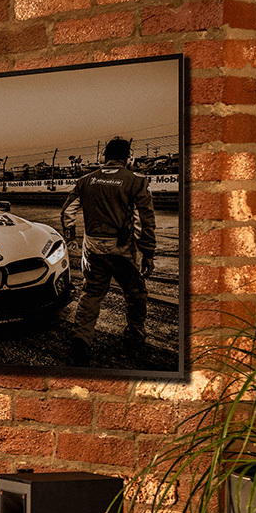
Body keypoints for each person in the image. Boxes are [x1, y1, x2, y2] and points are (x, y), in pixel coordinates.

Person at [61, 137, 157, 363]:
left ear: (105, 156)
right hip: (123, 250)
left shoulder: (85, 180)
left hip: (93, 248)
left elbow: (68, 212)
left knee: (91, 294)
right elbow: (143, 221)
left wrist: (70, 236)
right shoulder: (136, 181)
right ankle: (134, 340)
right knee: (136, 294)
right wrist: (148, 253)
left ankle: (81, 340)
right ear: (128, 158)